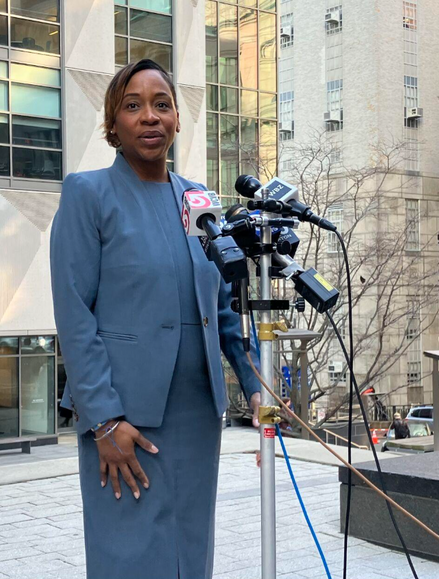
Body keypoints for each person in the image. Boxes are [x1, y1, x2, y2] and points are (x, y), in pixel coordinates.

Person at [50, 59, 261, 579]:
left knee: (191, 555)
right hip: (126, 419)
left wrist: (255, 383)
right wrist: (103, 420)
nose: (150, 116)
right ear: (113, 124)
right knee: (130, 555)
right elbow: (74, 314)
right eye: (134, 105)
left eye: (161, 104)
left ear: (177, 120)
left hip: (196, 415)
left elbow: (222, 305)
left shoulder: (199, 200)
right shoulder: (87, 193)